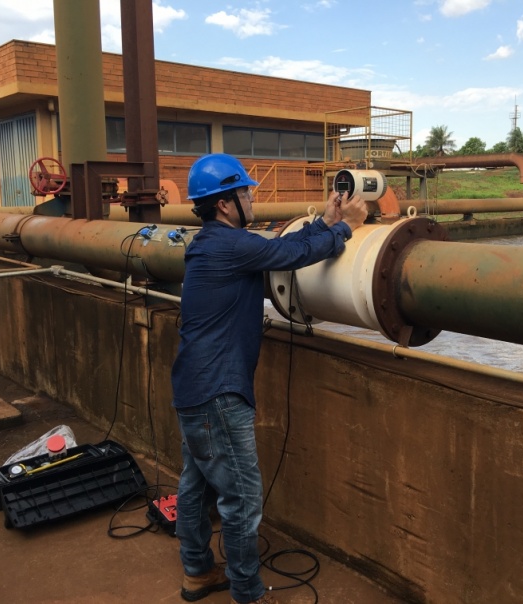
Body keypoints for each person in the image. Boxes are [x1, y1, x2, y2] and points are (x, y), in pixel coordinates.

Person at [172, 153, 367, 604]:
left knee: (195, 484)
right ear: (225, 204)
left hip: (193, 386)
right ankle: (248, 593)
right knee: (241, 499)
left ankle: (198, 573)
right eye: (245, 192)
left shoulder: (212, 242)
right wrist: (346, 226)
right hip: (220, 391)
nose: (252, 198)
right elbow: (291, 253)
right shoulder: (231, 245)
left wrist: (323, 219)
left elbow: (280, 247)